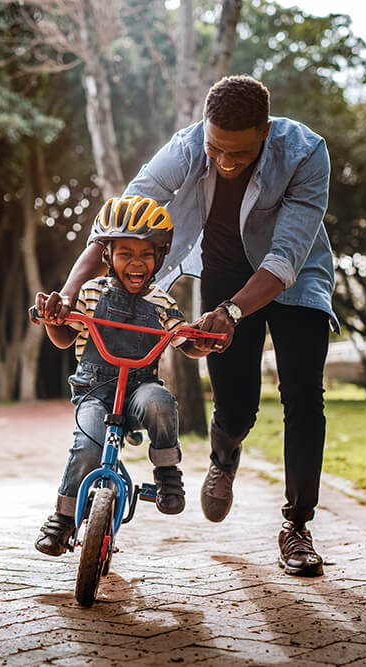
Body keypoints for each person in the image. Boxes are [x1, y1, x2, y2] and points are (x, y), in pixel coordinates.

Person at [40, 75, 338, 577]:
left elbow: (285, 257)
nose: (224, 162)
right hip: (224, 274)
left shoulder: (307, 153)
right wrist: (69, 292)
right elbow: (118, 220)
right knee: (237, 405)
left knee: (303, 394)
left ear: (265, 131)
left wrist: (234, 313)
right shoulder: (186, 146)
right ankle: (224, 458)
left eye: (238, 155)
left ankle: (297, 526)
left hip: (294, 276)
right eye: (216, 149)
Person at [32, 196, 211, 557]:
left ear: (160, 257)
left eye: (147, 254)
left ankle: (166, 473)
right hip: (94, 392)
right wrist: (53, 320)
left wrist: (202, 340)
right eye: (125, 253)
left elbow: (183, 340)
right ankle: (63, 519)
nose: (136, 262)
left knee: (160, 403)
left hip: (139, 390)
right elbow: (65, 336)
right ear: (107, 256)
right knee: (88, 446)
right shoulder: (90, 293)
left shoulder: (162, 302)